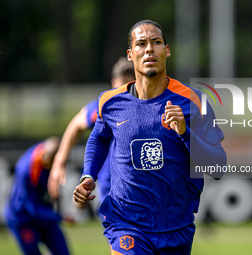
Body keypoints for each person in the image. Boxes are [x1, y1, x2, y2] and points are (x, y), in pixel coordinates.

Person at [73, 20, 227, 254]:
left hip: (176, 226)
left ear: (167, 50)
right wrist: (88, 174)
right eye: (141, 44)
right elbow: (99, 138)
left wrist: (185, 133)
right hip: (126, 223)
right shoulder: (110, 102)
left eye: (156, 43)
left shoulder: (194, 102)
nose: (149, 49)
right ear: (130, 54)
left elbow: (218, 166)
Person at [48, 57, 135, 204]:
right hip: (112, 188)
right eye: (120, 88)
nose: (124, 95)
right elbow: (76, 124)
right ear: (113, 84)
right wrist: (59, 161)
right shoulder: (107, 107)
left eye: (129, 88)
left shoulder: (148, 106)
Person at [3, 137, 70, 255]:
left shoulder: (52, 151)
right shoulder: (26, 170)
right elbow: (31, 207)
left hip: (44, 214)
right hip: (23, 218)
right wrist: (59, 217)